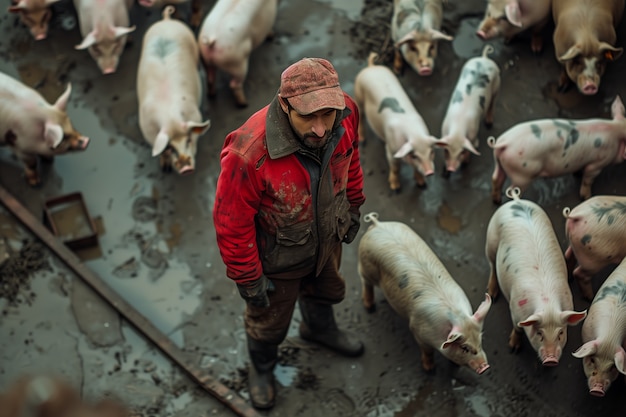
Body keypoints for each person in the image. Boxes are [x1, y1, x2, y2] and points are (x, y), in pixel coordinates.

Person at [212, 57, 366, 410]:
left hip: (326, 239)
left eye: (326, 114)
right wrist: (248, 278)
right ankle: (262, 367)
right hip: (277, 259)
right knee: (269, 322)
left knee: (326, 290)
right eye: (308, 117)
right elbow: (231, 223)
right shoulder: (248, 153)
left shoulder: (346, 113)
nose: (320, 129)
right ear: (285, 105)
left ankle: (319, 329)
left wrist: (353, 205)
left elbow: (351, 160)